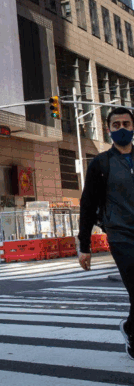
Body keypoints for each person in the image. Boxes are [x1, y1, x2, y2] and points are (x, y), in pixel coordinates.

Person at [78, 106, 134, 360]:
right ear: (108, 129)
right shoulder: (101, 163)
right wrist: (84, 246)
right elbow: (88, 205)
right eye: (116, 125)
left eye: (126, 124)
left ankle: (130, 328)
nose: (122, 129)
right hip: (121, 235)